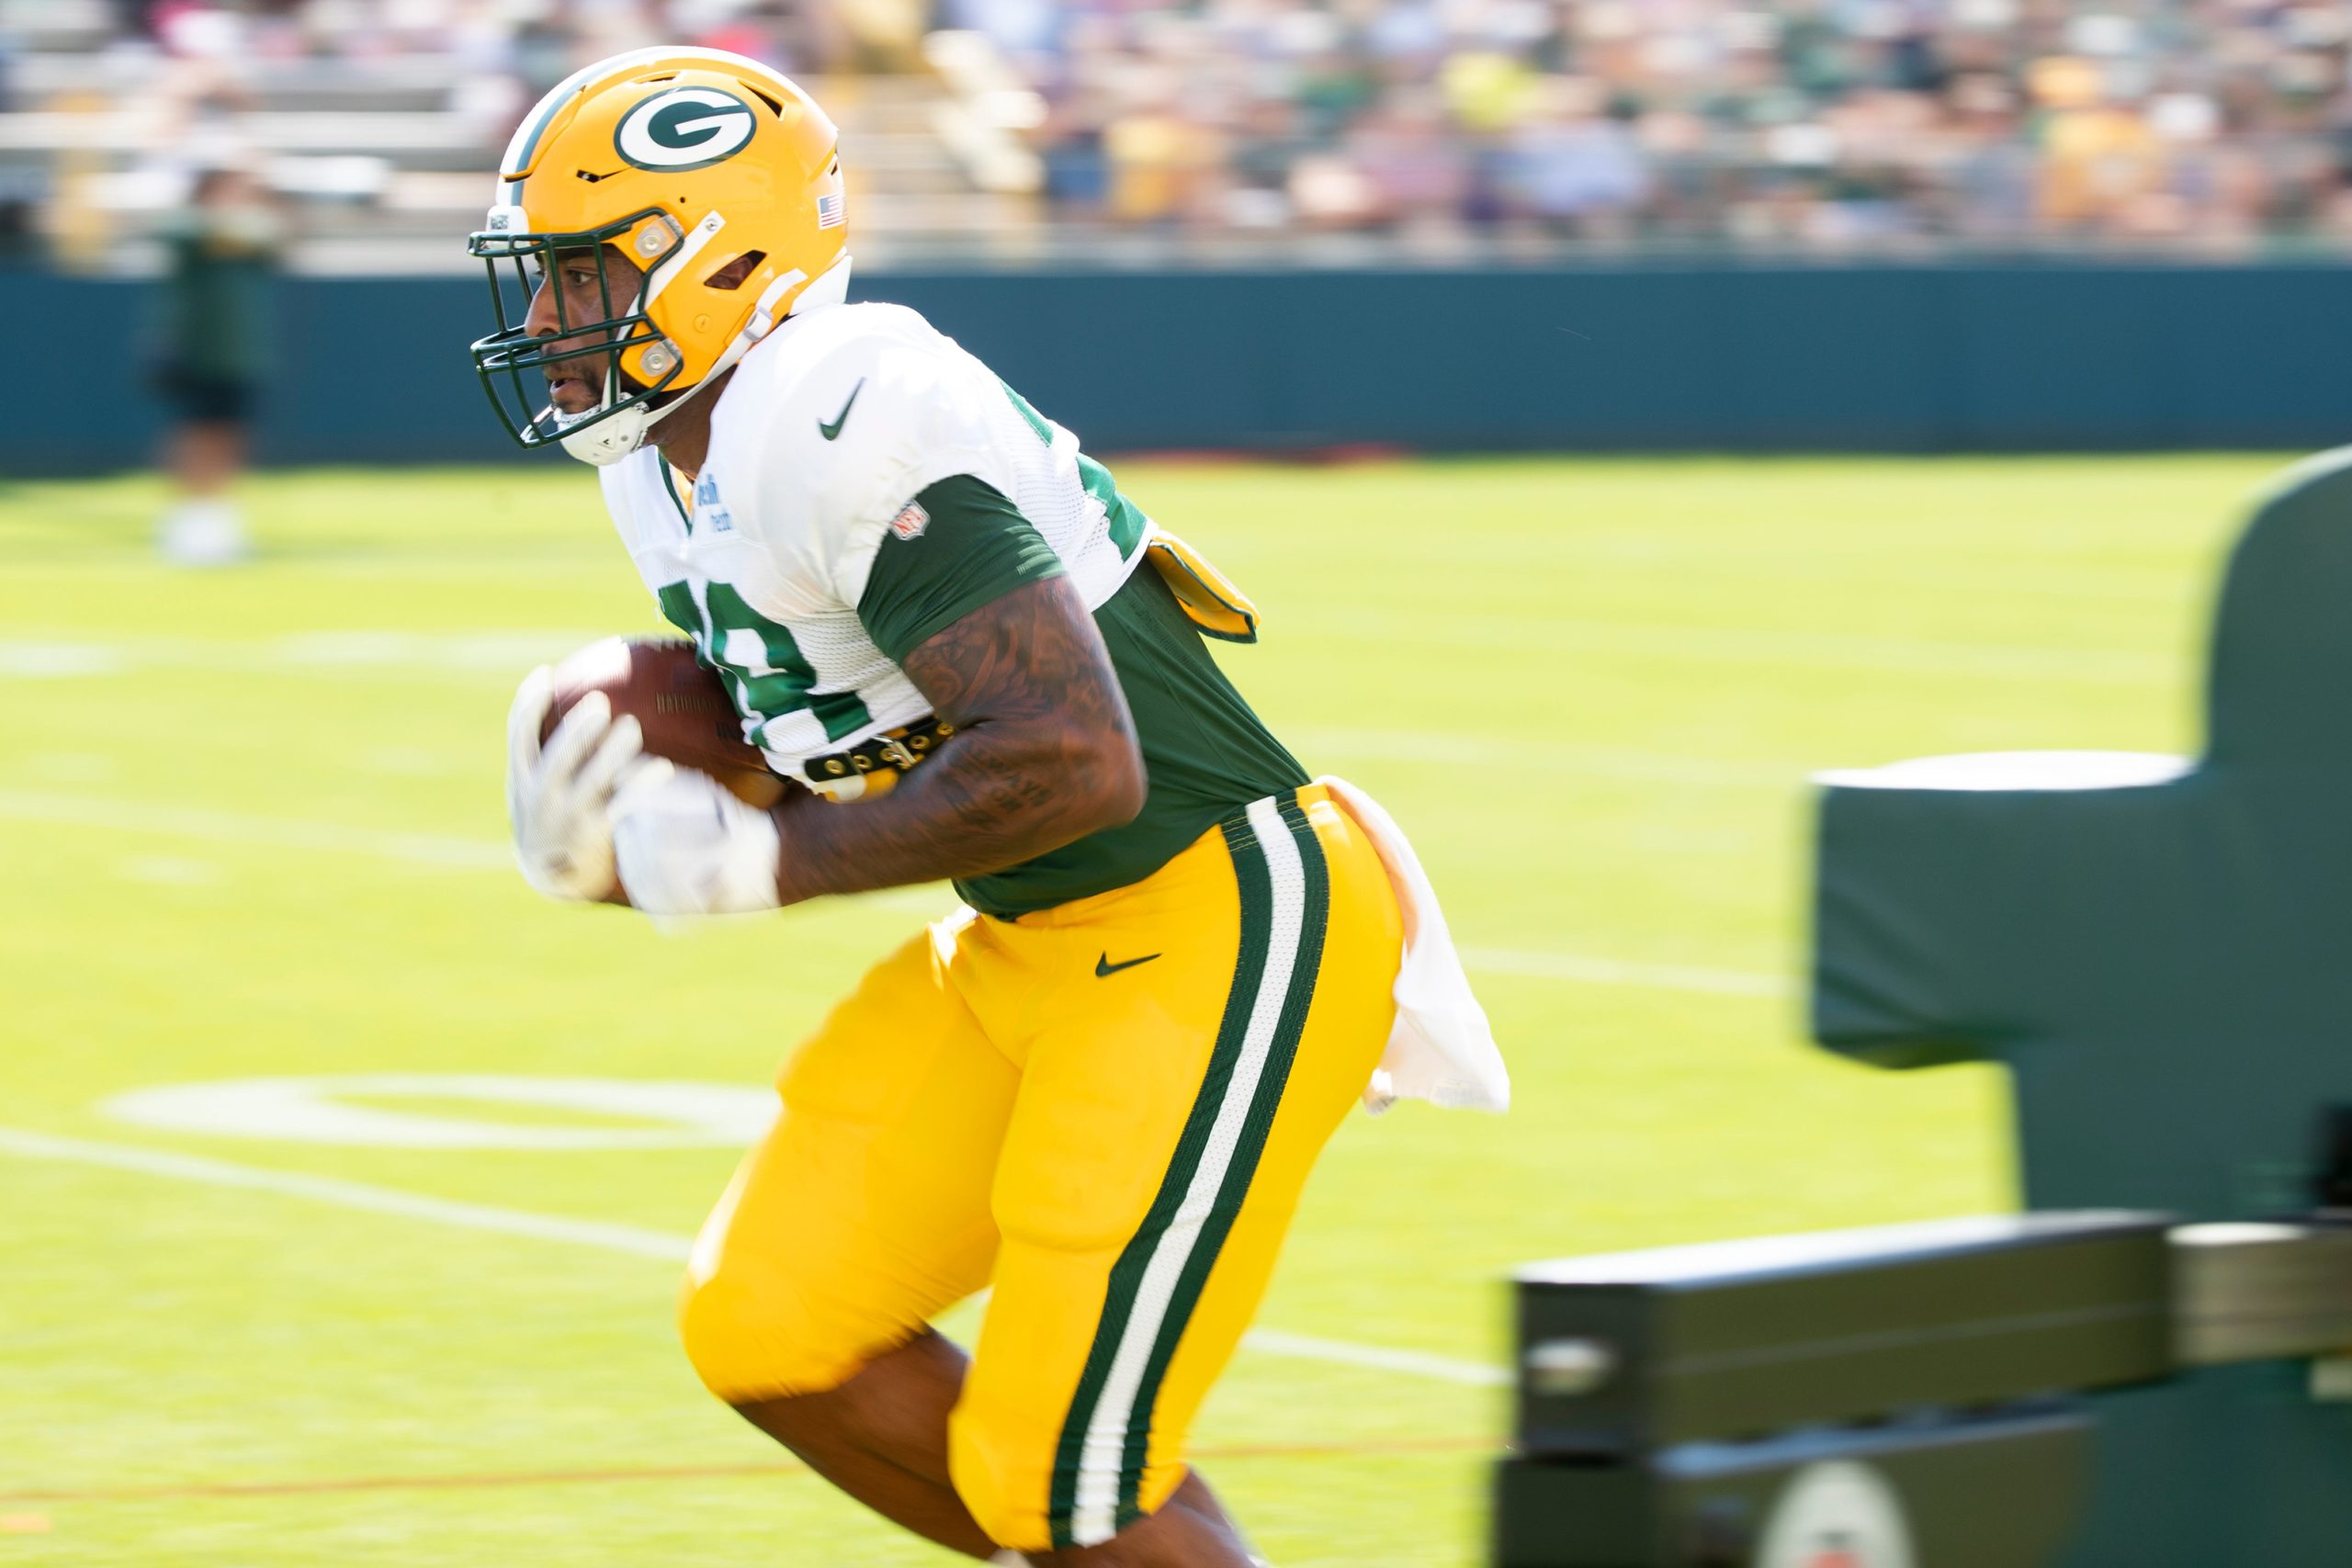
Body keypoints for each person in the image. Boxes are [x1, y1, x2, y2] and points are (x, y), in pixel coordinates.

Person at [481, 48, 1507, 1567]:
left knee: (1055, 1471)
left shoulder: (839, 404)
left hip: (1217, 909)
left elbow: (1076, 758)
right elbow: (855, 722)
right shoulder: (674, 458)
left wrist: (761, 861)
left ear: (724, 257)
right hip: (1035, 937)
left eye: (582, 275)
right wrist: (640, 796)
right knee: (772, 1323)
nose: (551, 318)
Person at [152, 163, 280, 566]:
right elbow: (209, 234)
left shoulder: (253, 229)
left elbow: (274, 240)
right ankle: (186, 517)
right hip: (197, 349)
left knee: (231, 436)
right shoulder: (187, 226)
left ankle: (217, 517)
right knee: (194, 434)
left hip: (240, 352)